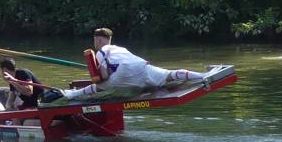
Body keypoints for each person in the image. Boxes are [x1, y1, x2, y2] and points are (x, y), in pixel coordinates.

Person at [61, 28, 206, 99]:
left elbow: (104, 76)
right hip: (141, 65)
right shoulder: (121, 48)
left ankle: (72, 95)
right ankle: (202, 76)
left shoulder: (101, 52)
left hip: (124, 73)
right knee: (169, 74)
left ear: (98, 40)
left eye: (94, 40)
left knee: (99, 86)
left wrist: (99, 76)